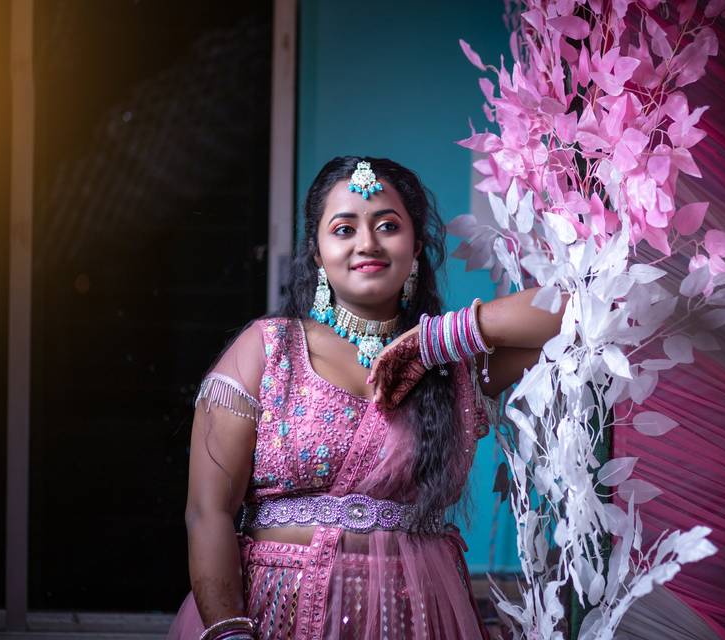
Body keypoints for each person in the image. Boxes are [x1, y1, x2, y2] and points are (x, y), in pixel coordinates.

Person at [167, 156, 565, 640]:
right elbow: (207, 510)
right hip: (276, 614)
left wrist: (434, 340)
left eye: (388, 226)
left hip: (418, 616)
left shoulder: (449, 364)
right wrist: (229, 632)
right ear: (316, 251)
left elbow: (585, 310)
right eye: (343, 229)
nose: (367, 243)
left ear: (417, 245)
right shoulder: (268, 350)